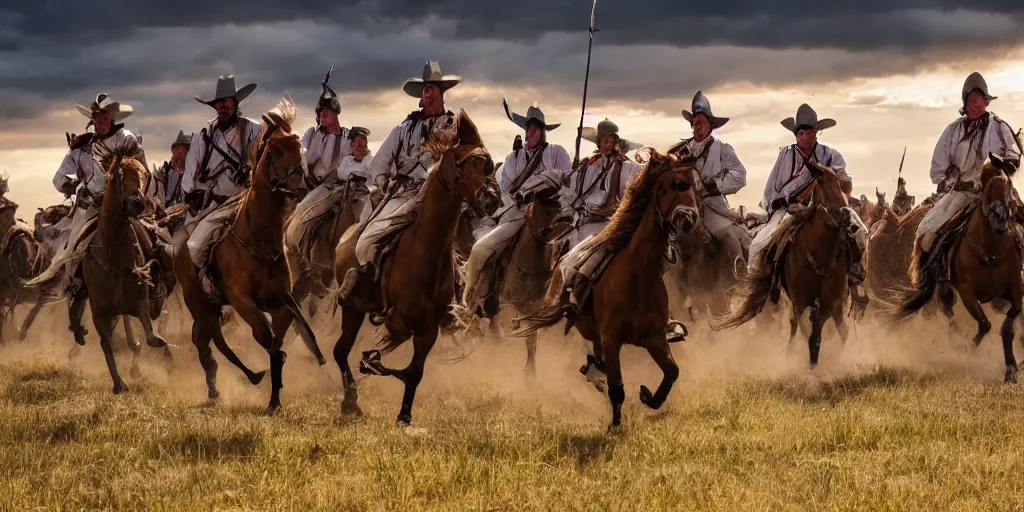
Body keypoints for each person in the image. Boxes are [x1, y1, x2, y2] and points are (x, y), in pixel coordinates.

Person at [338, 60, 461, 311]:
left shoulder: (454, 127)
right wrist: (383, 187)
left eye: (433, 88)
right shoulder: (402, 129)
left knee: (452, 246)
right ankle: (377, 292)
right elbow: (378, 167)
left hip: (437, 198)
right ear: (421, 98)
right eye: (425, 89)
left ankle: (457, 300)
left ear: (441, 93)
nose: (428, 93)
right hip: (402, 193)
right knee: (366, 241)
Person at [749, 103, 868, 306]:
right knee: (763, 242)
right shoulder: (785, 155)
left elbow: (844, 183)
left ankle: (856, 278)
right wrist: (785, 203)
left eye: (808, 133)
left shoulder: (831, 155)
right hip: (790, 208)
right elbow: (772, 189)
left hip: (829, 208)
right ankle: (769, 282)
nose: (803, 137)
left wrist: (841, 186)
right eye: (800, 133)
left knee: (860, 232)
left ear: (816, 133)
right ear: (796, 135)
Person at [460, 101, 571, 315]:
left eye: (535, 129)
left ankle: (569, 304)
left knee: (573, 255)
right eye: (527, 128)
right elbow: (505, 190)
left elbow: (566, 179)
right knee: (479, 250)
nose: (530, 132)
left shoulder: (557, 152)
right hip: (518, 215)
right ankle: (469, 303)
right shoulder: (514, 158)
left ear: (542, 132)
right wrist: (520, 199)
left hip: (551, 215)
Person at [913, 71, 1022, 278]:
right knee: (928, 235)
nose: (975, 104)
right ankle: (935, 280)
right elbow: (938, 166)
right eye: (971, 100)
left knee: (1019, 225)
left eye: (979, 100)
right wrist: (948, 176)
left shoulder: (999, 126)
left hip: (995, 191)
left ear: (987, 102)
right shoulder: (952, 130)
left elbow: (1014, 153)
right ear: (965, 102)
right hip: (961, 194)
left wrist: (1004, 166)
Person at [181, 75, 262, 277]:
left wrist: (251, 169)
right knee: (194, 247)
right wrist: (191, 193)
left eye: (227, 101)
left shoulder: (254, 129)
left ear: (235, 103)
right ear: (215, 106)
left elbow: (266, 156)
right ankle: (208, 282)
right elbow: (192, 165)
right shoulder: (205, 134)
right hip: (216, 204)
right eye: (219, 102)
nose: (223, 106)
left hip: (246, 201)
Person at [669, 91, 750, 261]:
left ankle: (739, 278)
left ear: (710, 126)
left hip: (713, 207)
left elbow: (739, 175)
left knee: (730, 240)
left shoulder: (722, 149)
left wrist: (713, 185)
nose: (697, 127)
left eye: (702, 123)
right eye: (695, 123)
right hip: (684, 209)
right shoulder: (679, 152)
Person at [284, 70, 353, 259]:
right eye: (321, 112)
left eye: (327, 112)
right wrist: (318, 145)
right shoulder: (311, 134)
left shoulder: (348, 136)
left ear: (336, 113)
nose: (323, 115)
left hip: (342, 186)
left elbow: (351, 159)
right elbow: (304, 157)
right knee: (301, 214)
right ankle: (296, 252)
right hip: (317, 188)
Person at [564, 118, 642, 250]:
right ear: (599, 143)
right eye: (605, 141)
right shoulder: (589, 167)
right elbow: (571, 189)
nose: (609, 145)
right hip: (586, 223)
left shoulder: (627, 166)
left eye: (612, 141)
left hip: (613, 223)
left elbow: (643, 172)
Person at [149, 130, 190, 208]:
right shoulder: (160, 175)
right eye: (176, 149)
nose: (178, 153)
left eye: (184, 150)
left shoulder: (194, 178)